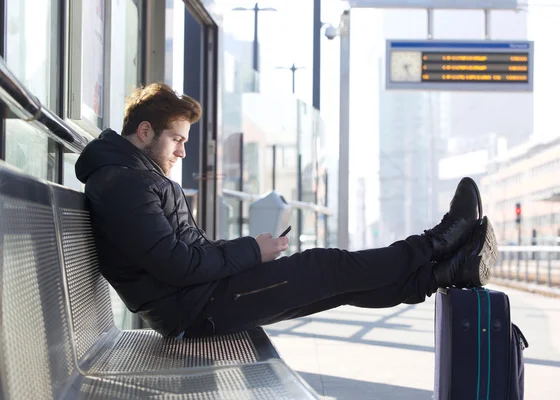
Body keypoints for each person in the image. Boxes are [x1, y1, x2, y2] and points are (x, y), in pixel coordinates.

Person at [75, 83, 498, 339]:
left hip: (202, 300)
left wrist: (250, 251)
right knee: (329, 268)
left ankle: (444, 272)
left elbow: (186, 253)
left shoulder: (134, 176)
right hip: (197, 310)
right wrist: (251, 252)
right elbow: (178, 264)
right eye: (176, 140)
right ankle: (439, 242)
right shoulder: (123, 183)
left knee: (339, 285)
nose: (183, 152)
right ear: (145, 131)